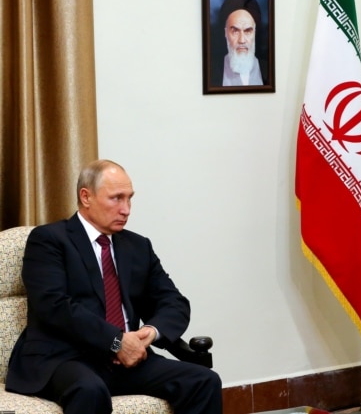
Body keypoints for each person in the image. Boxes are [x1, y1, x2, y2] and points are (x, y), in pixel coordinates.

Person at [5, 159, 222, 414]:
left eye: (130, 199)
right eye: (116, 198)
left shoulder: (138, 246)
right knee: (89, 390)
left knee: (203, 381)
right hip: (65, 358)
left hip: (128, 361)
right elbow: (54, 306)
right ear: (86, 197)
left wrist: (149, 333)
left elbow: (173, 302)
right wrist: (117, 341)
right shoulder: (49, 240)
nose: (126, 209)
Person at [219, 0, 264, 86]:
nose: (242, 40)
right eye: (235, 31)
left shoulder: (267, 70)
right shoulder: (213, 71)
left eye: (248, 31)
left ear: (255, 33)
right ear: (225, 33)